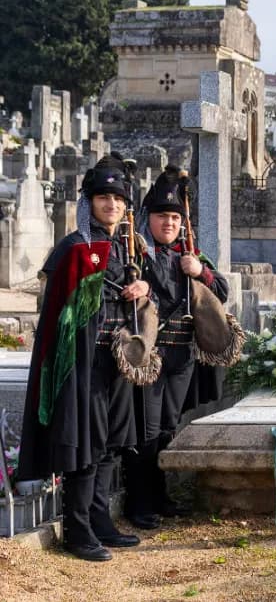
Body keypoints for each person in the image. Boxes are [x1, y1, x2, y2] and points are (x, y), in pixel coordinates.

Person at [17, 155, 149, 561]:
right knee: (85, 447)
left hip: (118, 361)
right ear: (90, 202)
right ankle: (77, 530)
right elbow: (61, 314)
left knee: (110, 445)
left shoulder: (128, 248)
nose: (111, 205)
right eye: (103, 197)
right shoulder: (74, 249)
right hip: (83, 363)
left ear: (127, 207)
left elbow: (144, 297)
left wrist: (141, 288)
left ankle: (100, 521)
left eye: (118, 199)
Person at [124, 165, 231, 530]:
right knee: (147, 429)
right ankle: (139, 503)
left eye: (174, 217)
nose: (168, 223)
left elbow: (220, 294)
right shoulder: (135, 253)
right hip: (150, 355)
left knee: (169, 426)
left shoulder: (191, 254)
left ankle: (161, 497)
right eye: (161, 217)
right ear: (148, 219)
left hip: (182, 355)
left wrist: (200, 272)